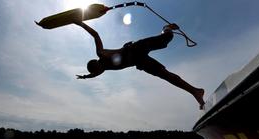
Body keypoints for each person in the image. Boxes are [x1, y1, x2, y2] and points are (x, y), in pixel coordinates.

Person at [74, 21, 205, 109]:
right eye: (98, 72)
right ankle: (196, 92)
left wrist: (80, 23)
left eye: (98, 69)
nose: (100, 71)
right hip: (140, 61)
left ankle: (167, 27)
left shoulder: (101, 53)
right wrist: (85, 77)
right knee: (166, 75)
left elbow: (95, 35)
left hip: (136, 48)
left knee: (165, 40)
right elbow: (93, 75)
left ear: (96, 63)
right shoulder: (101, 70)